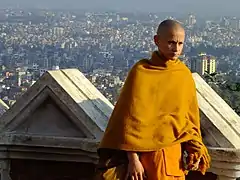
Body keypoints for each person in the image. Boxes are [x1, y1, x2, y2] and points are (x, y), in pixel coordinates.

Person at [94, 19, 210, 180]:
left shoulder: (183, 75)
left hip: (173, 158)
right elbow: (129, 123)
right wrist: (133, 159)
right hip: (145, 160)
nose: (176, 48)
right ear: (157, 40)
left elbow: (188, 120)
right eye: (171, 42)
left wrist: (194, 148)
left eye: (180, 43)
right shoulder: (141, 72)